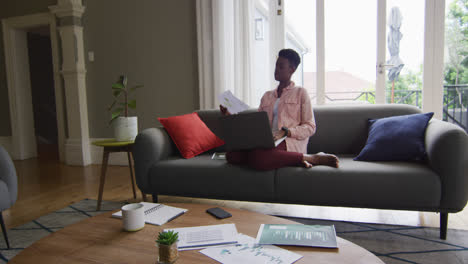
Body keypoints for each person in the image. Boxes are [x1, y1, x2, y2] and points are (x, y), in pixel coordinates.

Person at [220, 49, 339, 170]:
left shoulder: (301, 93)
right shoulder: (267, 96)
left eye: (281, 66)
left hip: (287, 141)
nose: (276, 69)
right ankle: (293, 160)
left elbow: (310, 127)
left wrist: (286, 132)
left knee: (259, 158)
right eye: (276, 65)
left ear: (292, 69)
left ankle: (311, 158)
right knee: (232, 156)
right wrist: (229, 116)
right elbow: (255, 125)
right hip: (265, 142)